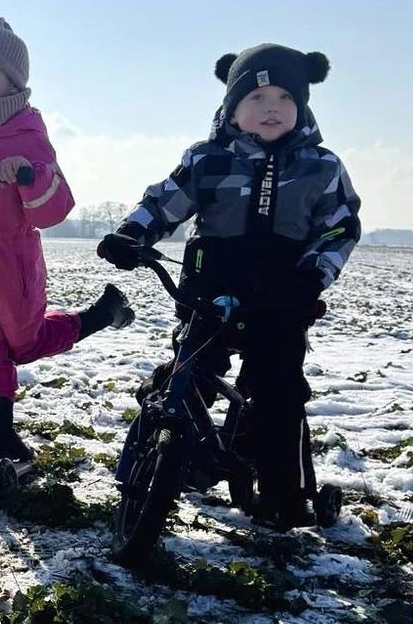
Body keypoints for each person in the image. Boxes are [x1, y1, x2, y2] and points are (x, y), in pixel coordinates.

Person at [99, 43, 361, 529]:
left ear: (302, 105)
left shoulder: (321, 167)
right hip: (209, 294)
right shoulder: (207, 159)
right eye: (257, 97)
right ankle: (150, 464)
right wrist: (132, 234)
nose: (271, 108)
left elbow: (339, 228)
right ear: (232, 106)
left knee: (278, 392)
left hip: (282, 301)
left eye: (285, 97)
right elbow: (164, 202)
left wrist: (311, 277)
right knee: (186, 375)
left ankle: (283, 492)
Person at [0, 18, 133, 466]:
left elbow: (54, 208)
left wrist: (29, 178)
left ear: (13, 80)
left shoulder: (28, 132)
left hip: (11, 259)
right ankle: (0, 437)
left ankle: (100, 313)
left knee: (24, 343)